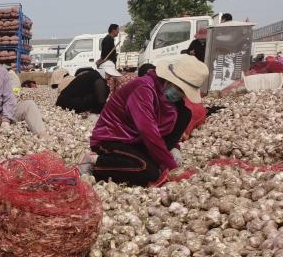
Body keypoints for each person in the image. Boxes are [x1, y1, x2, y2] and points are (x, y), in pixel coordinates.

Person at [86, 54, 208, 186]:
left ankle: (145, 161)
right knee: (148, 171)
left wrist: (174, 148)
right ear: (169, 79)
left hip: (137, 142)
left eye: (182, 92)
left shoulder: (170, 99)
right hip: (113, 139)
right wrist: (172, 168)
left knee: (185, 114)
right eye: (178, 88)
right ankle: (94, 161)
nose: (178, 94)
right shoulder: (143, 88)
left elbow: (162, 133)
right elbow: (148, 132)